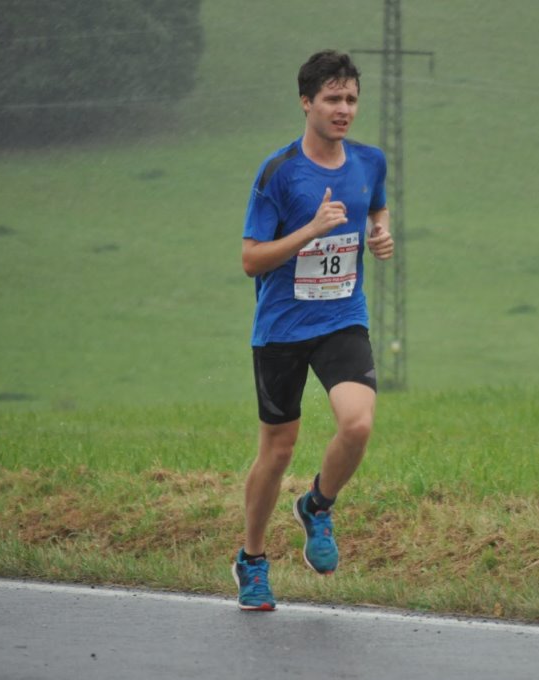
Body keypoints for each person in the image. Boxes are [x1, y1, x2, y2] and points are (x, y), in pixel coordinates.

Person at [231, 50, 394, 611]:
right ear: (306, 102)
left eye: (351, 99)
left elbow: (375, 208)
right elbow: (251, 260)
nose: (343, 109)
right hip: (282, 327)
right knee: (278, 451)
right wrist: (310, 230)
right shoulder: (278, 172)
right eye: (332, 99)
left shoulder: (370, 161)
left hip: (342, 318)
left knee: (358, 423)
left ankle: (318, 505)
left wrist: (380, 233)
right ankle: (252, 560)